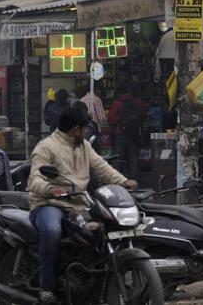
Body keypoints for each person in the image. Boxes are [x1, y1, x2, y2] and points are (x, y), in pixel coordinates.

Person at [28, 105, 137, 303]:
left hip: (78, 204)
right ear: (76, 129)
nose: (87, 132)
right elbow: (34, 180)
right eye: (85, 128)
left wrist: (123, 181)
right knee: (52, 231)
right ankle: (47, 287)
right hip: (48, 204)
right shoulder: (46, 147)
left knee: (102, 230)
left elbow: (101, 166)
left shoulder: (84, 145)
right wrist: (50, 189)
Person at [108, 85, 147, 181]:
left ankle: (116, 180)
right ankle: (135, 181)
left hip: (120, 133)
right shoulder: (138, 102)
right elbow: (144, 115)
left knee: (117, 158)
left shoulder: (117, 104)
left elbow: (111, 119)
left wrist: (119, 122)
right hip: (134, 133)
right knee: (133, 158)